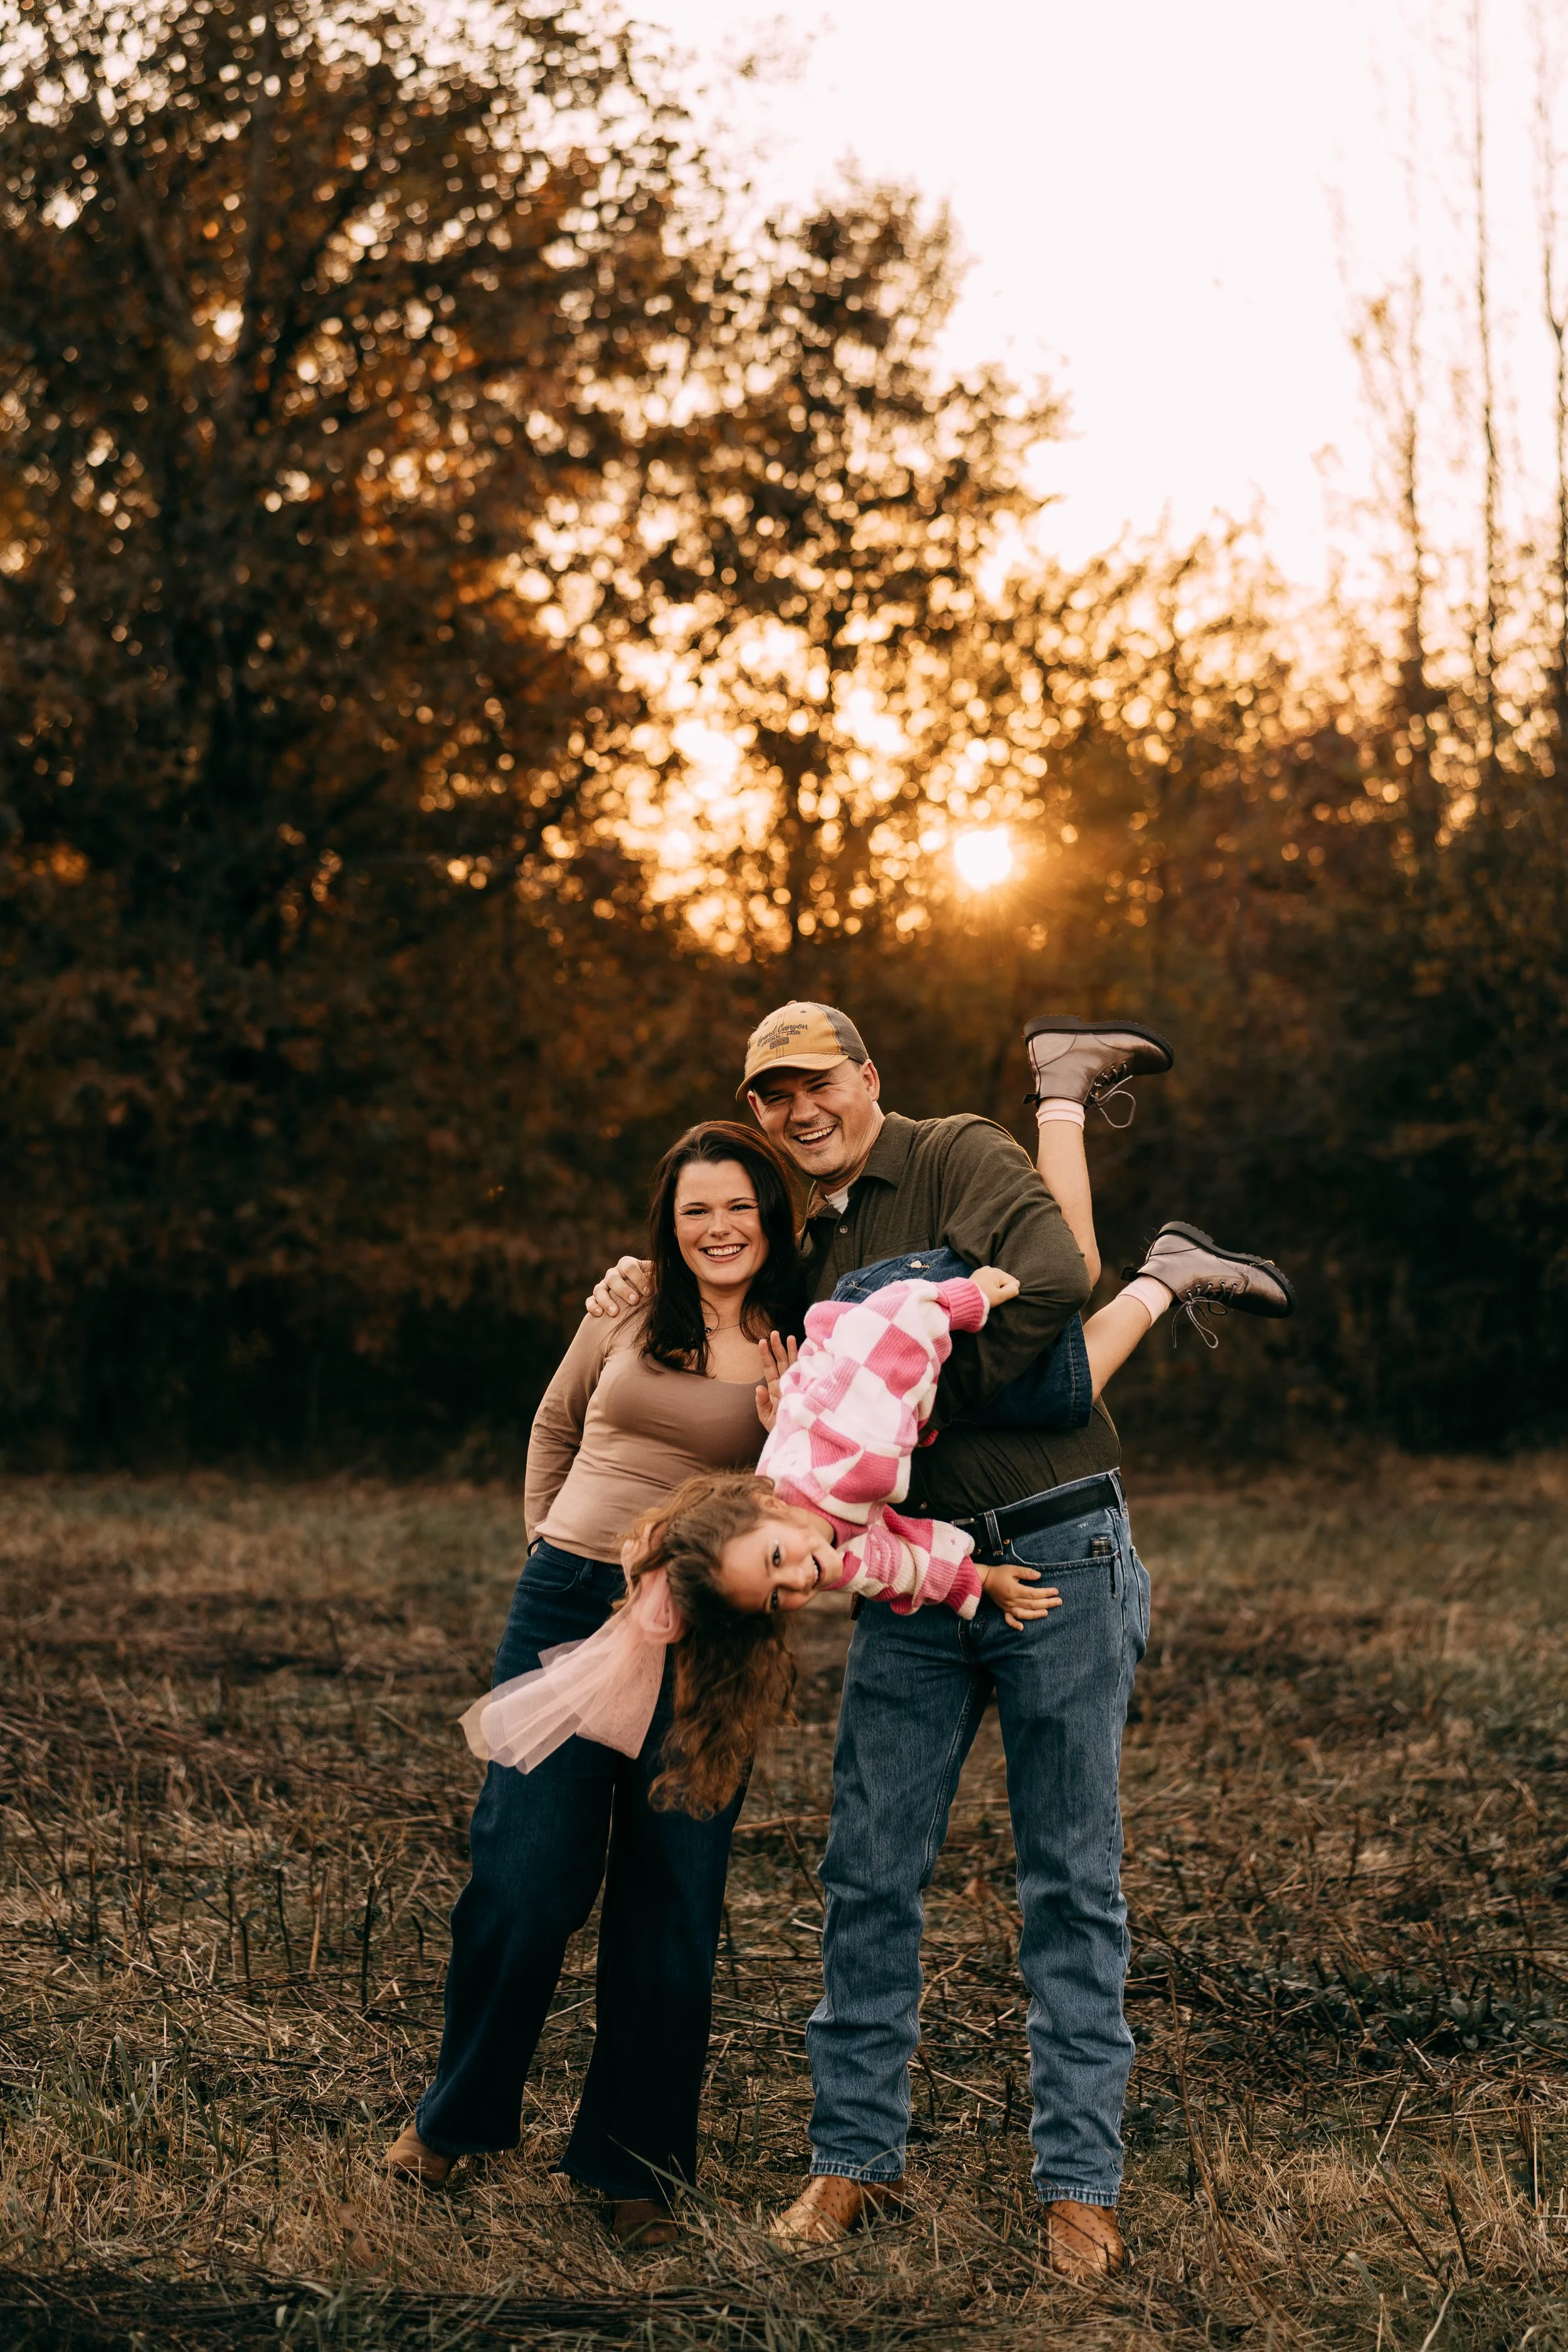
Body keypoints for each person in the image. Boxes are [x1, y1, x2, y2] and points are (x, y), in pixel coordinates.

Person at [581, 1004, 1293, 2284]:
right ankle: (850, 2161)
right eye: (772, 1097)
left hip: (1059, 1551)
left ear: (866, 1078)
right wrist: (646, 1290)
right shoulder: (805, 1246)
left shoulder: (958, 1150)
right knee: (866, 1876)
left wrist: (895, 1386)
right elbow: (774, 1370)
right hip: (907, 1586)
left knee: (1066, 1884)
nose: (800, 1111)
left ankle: (1077, 2187)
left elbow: (1054, 1284)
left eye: (819, 1084)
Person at [384, 1121, 803, 2248]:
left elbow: (823, 1502)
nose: (719, 1228)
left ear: (774, 1212)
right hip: (570, 1601)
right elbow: (556, 1421)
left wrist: (780, 1433)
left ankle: (636, 2166)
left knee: (673, 1901)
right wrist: (548, 1545)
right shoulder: (624, 1305)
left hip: (709, 1632)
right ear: (669, 1224)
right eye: (694, 1210)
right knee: (524, 1879)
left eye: (738, 1206)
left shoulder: (806, 1339)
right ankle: (455, 2117)